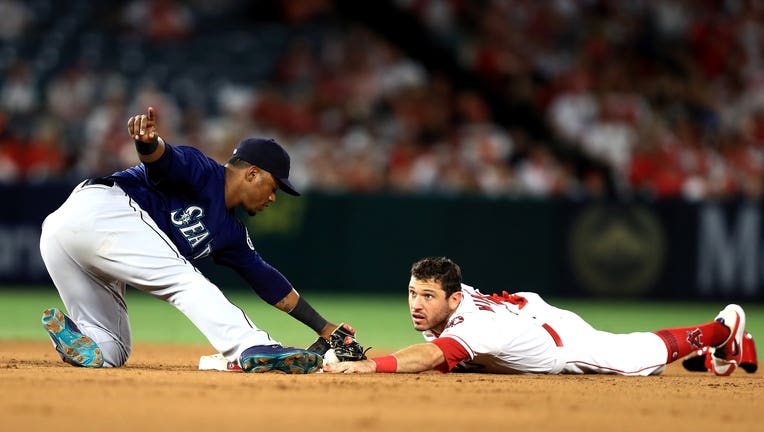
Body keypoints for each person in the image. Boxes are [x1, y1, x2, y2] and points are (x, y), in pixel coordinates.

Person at [39, 106, 357, 373]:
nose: (273, 197)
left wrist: (325, 328)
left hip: (62, 239)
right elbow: (162, 164)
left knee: (112, 350)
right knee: (185, 281)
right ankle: (252, 345)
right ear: (252, 173)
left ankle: (77, 339)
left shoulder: (231, 233)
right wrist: (149, 143)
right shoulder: (203, 169)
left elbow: (268, 282)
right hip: (102, 209)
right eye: (274, 187)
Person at [324, 256, 757, 376]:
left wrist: (368, 365)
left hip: (557, 341)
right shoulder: (454, 300)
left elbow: (429, 358)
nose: (416, 304)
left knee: (638, 359)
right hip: (523, 312)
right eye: (412, 293)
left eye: (428, 296)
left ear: (453, 300)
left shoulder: (471, 323)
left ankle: (723, 328)